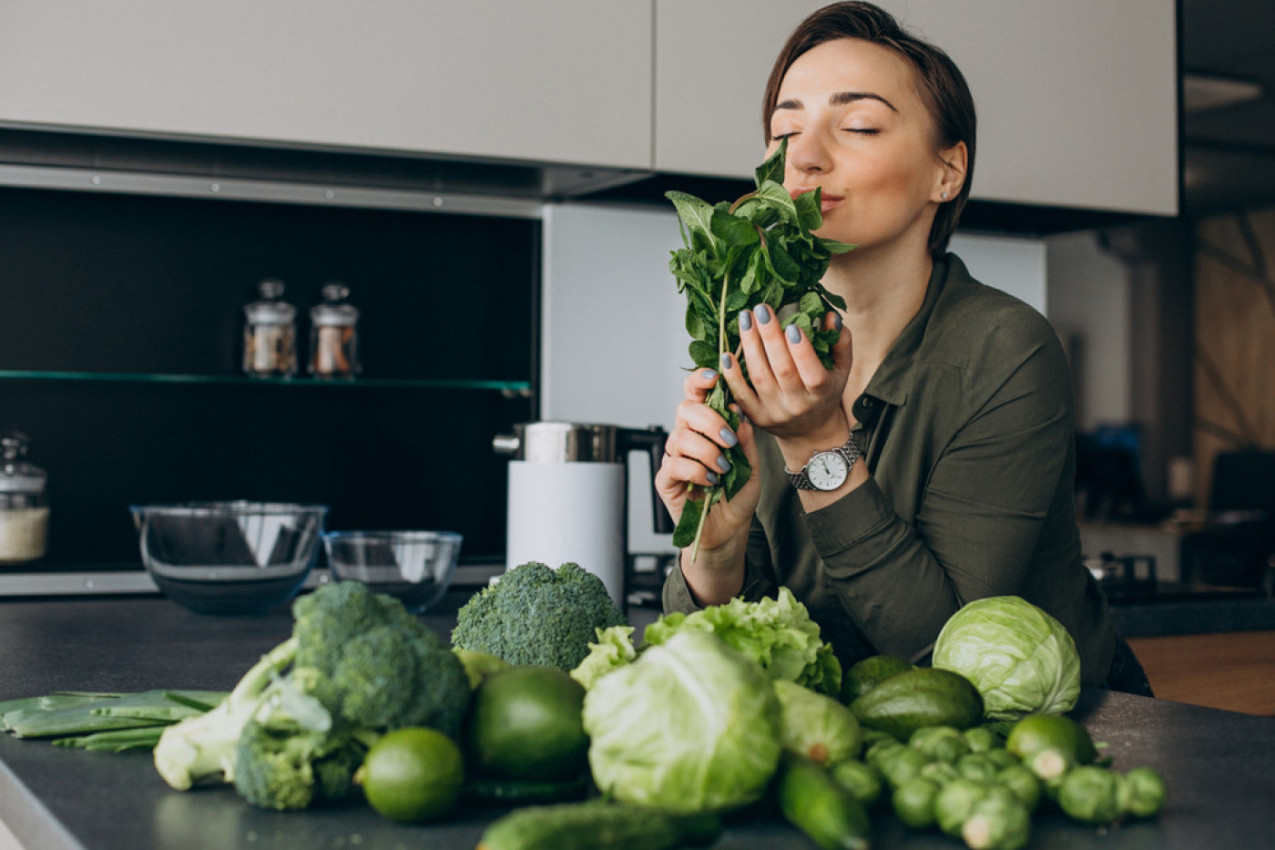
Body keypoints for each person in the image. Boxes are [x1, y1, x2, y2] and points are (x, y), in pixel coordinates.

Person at [655, 1, 1151, 695]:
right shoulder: (764, 336)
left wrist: (816, 445)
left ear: (946, 172)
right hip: (862, 736)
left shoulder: (1005, 349)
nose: (803, 155)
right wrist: (714, 544)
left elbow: (946, 660)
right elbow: (735, 653)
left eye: (857, 125)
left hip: (1053, 734)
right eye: (783, 131)